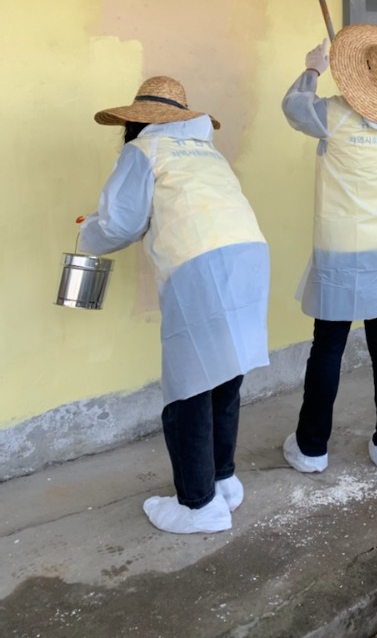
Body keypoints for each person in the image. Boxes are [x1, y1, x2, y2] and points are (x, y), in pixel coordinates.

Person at [78, 76, 270, 534]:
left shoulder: (142, 151)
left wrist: (88, 234)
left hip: (201, 265)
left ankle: (198, 505)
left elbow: (121, 222)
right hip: (249, 257)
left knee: (186, 389)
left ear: (136, 121)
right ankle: (223, 480)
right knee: (224, 377)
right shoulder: (206, 151)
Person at [281, 24, 377, 473]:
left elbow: (293, 107)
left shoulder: (332, 115)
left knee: (328, 348)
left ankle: (312, 448)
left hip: (342, 250)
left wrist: (313, 69)